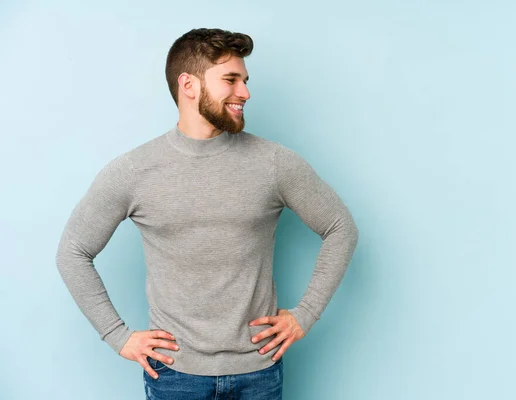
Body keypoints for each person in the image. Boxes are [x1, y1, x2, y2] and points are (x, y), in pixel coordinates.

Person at [55, 27, 359, 399]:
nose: (245, 92)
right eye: (231, 80)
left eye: (245, 81)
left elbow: (340, 227)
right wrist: (118, 336)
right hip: (174, 376)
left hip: (259, 373)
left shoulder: (274, 163)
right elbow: (73, 252)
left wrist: (306, 313)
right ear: (189, 85)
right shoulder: (134, 171)